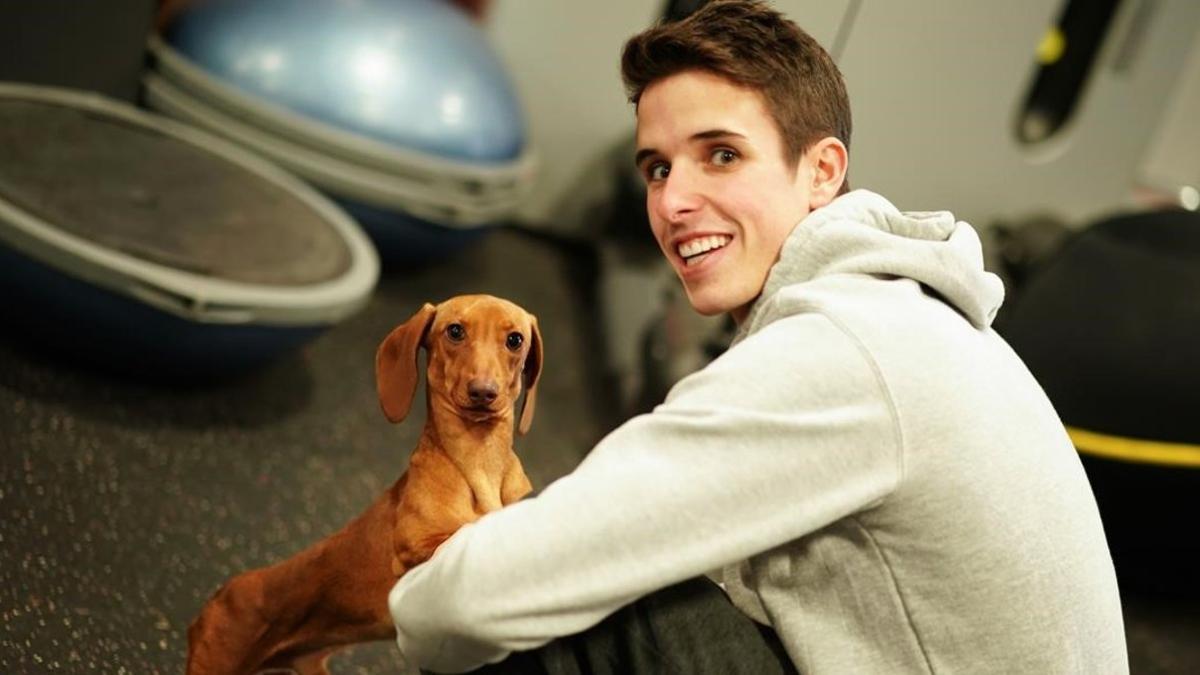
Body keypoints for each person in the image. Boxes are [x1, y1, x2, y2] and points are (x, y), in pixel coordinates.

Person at [388, 1, 1128, 672]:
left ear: (822, 171)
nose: (674, 201)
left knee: (569, 600)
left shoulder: (842, 351)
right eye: (656, 167)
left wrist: (408, 605)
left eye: (722, 154)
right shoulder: (905, 311)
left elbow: (462, 603)